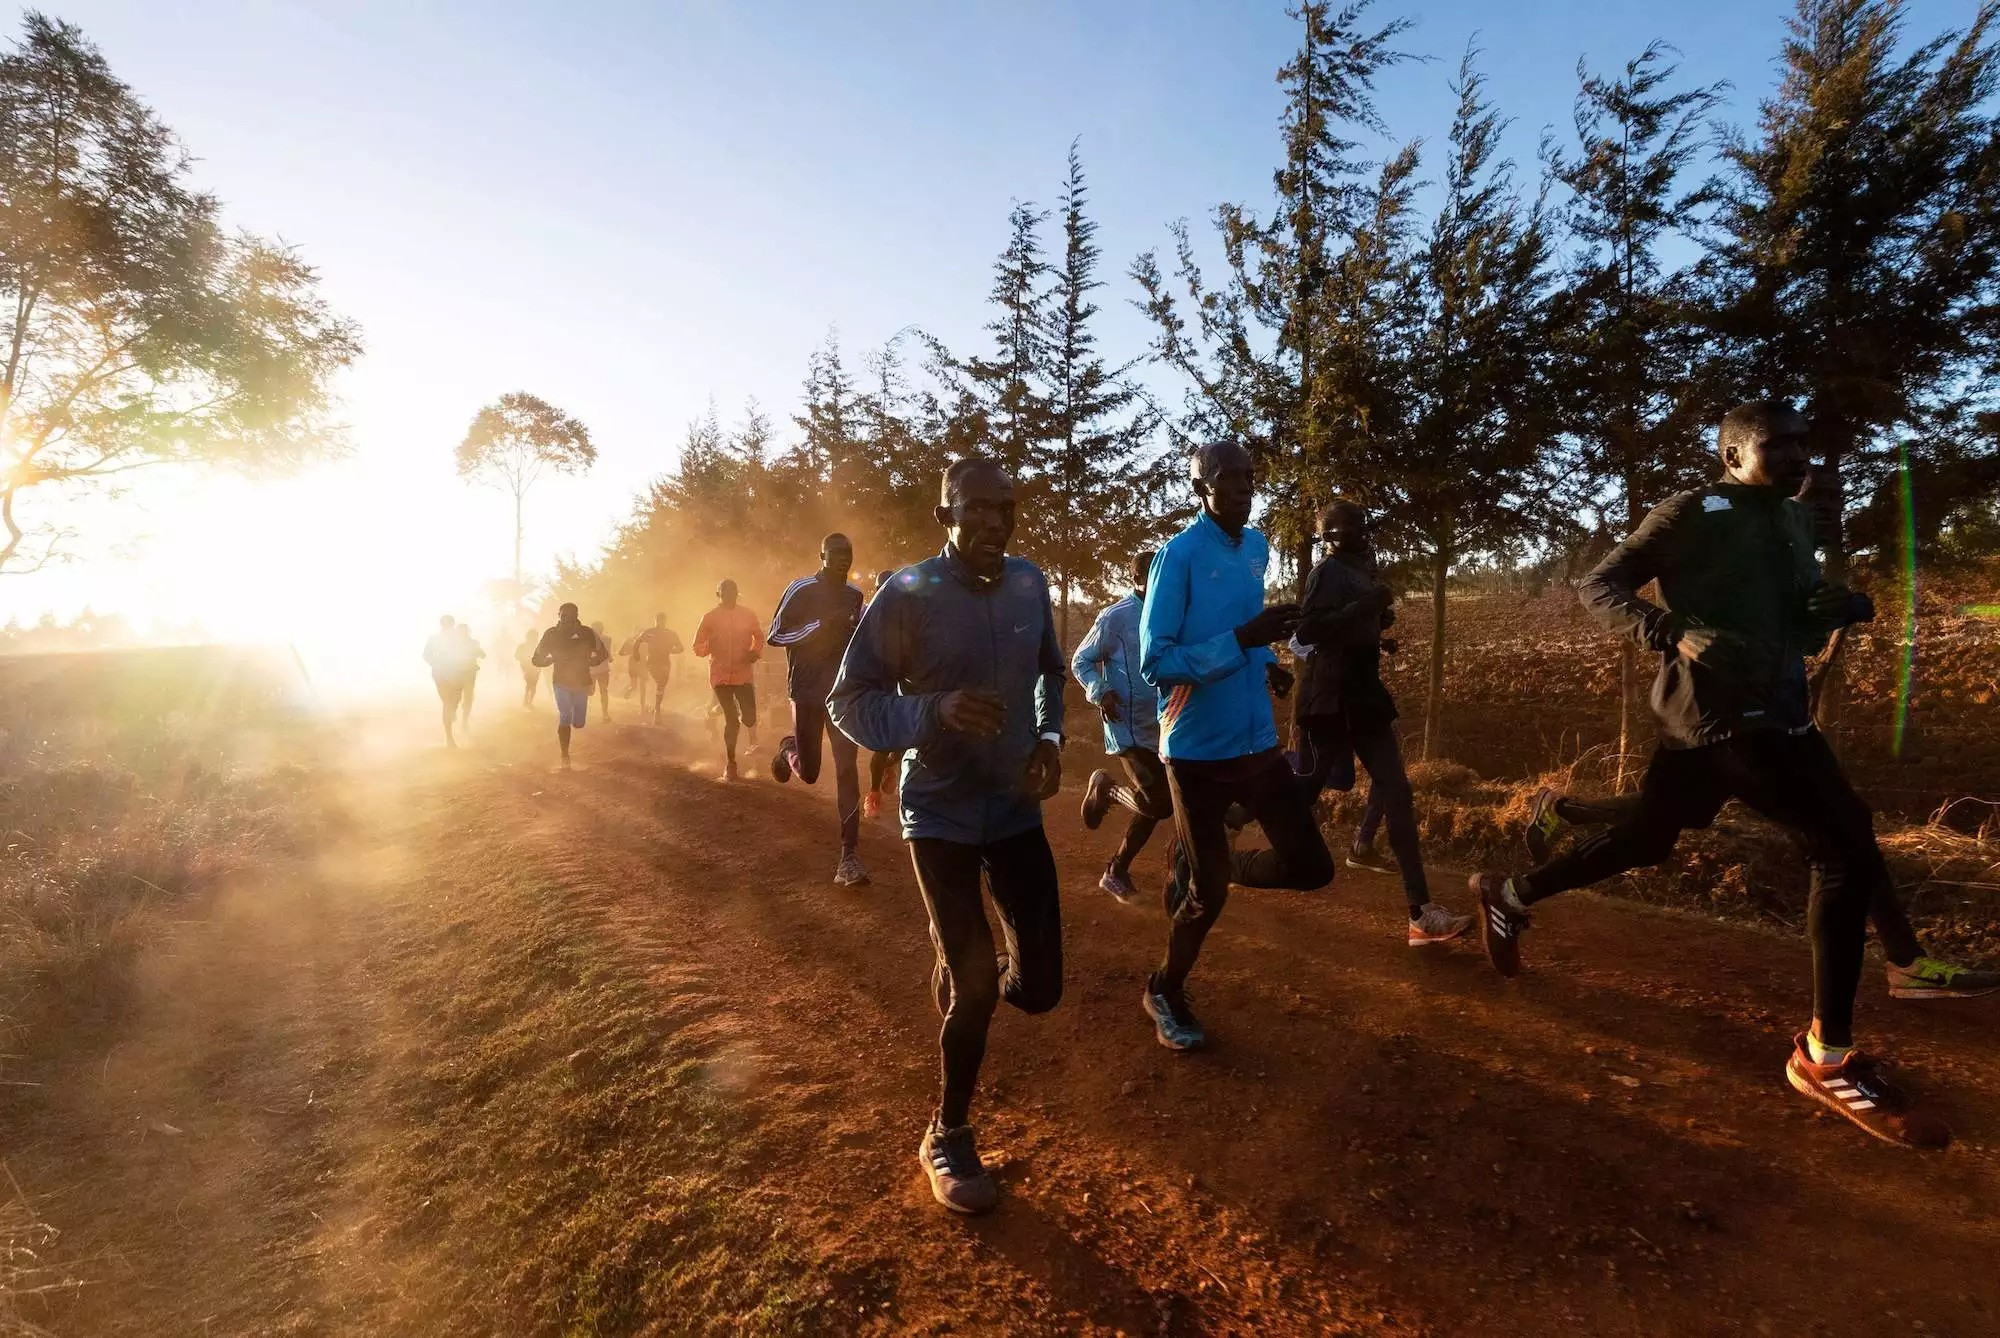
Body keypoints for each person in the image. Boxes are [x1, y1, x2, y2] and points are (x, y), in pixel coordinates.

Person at [1471, 400, 1951, 1149]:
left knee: (1647, 842)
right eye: (1776, 444)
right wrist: (1670, 630)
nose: (1795, 455)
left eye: (1801, 442)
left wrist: (1836, 608)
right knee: (1840, 842)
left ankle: (1510, 894)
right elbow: (1600, 586)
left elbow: (1794, 622)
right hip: (1718, 715)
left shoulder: (1795, 523)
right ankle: (1826, 1055)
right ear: (1731, 456)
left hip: (1779, 708)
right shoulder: (1693, 510)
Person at [829, 459, 1066, 1216]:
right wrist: (932, 712)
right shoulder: (908, 593)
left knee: (1039, 989)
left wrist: (1051, 738)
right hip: (939, 813)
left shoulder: (1032, 583)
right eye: (979, 509)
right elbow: (849, 700)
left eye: (1008, 508)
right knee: (973, 983)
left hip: (1016, 809)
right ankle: (948, 1133)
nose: (997, 521)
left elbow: (1050, 675)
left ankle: (959, 958)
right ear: (946, 517)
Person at [1138, 441, 1335, 1053]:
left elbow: (1243, 632)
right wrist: (1242, 640)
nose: (1245, 488)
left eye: (1252, 477)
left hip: (1256, 742)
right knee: (1207, 896)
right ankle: (1164, 989)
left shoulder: (1256, 547)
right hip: (1196, 752)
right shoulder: (1177, 556)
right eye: (1230, 478)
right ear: (1201, 486)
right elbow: (1157, 661)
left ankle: (1207, 865)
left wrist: (1266, 659)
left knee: (1311, 867)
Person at [1523, 788, 2000, 999]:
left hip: (1758, 718)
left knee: (1844, 825)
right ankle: (1902, 966)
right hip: (1732, 721)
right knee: (1662, 817)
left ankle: (1905, 961)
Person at [1295, 500, 1471, 945]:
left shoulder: (1359, 570)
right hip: (1330, 699)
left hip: (1365, 695)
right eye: (1348, 526)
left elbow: (1353, 622)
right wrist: (1366, 605)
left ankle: (1420, 913)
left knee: (1398, 791)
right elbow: (1310, 631)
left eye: (1361, 523)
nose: (1360, 530)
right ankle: (1227, 821)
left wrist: (1378, 620)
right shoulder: (1328, 572)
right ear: (1330, 534)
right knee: (1302, 794)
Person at [769, 534, 870, 886]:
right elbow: (775, 634)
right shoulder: (802, 589)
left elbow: (856, 640)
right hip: (806, 691)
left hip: (841, 695)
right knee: (811, 772)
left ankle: (849, 858)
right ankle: (788, 749)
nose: (843, 559)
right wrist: (818, 627)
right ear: (822, 555)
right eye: (836, 553)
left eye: (848, 553)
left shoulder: (855, 596)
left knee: (847, 770)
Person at [1075, 550, 1171, 904]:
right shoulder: (1115, 617)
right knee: (1160, 803)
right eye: (1152, 577)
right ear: (1136, 580)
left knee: (1155, 803)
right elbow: (1081, 660)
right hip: (1126, 726)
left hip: (1164, 724)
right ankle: (1108, 789)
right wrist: (1101, 692)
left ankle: (1116, 871)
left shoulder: (1173, 613)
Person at [694, 579, 763, 780]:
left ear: (737, 593)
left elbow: (759, 638)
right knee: (732, 721)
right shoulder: (709, 618)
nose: (729, 595)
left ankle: (717, 710)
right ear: (719, 594)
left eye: (733, 591)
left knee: (749, 718)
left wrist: (754, 652)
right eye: (725, 592)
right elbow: (697, 647)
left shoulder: (748, 615)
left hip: (743, 674)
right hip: (720, 676)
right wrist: (709, 644)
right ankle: (731, 763)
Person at [530, 602, 609, 770]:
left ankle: (575, 719)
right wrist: (549, 660)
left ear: (576, 615)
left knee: (579, 723)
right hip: (560, 682)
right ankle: (565, 755)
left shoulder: (587, 633)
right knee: (565, 715)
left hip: (581, 683)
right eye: (562, 614)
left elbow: (603, 653)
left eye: (568, 614)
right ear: (558, 615)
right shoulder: (551, 634)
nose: (564, 617)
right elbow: (536, 659)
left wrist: (594, 661)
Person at [864, 569, 905, 820]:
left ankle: (892, 764)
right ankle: (873, 795)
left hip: (903, 682)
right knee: (881, 744)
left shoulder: (908, 612)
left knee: (903, 738)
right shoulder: (868, 614)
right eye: (882, 587)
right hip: (878, 683)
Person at [422, 615, 476, 748]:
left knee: (453, 703)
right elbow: (426, 655)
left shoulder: (458, 639)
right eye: (447, 624)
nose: (449, 627)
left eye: (450, 624)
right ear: (443, 625)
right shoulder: (435, 639)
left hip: (455, 674)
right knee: (448, 703)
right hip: (442, 674)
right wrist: (435, 662)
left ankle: (450, 731)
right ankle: (449, 737)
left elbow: (467, 652)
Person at [632, 614, 685, 723]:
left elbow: (680, 648)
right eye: (658, 620)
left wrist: (670, 650)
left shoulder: (670, 634)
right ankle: (653, 707)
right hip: (652, 662)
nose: (659, 623)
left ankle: (656, 708)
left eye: (662, 621)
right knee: (655, 683)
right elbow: (637, 641)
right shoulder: (649, 632)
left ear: (665, 621)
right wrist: (636, 654)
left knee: (661, 686)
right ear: (655, 620)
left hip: (665, 662)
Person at [452, 621, 485, 732]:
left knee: (467, 698)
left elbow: (482, 654)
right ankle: (456, 714)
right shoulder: (453, 644)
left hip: (468, 673)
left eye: (464, 631)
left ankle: (464, 720)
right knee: (460, 697)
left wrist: (479, 654)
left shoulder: (472, 643)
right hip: (458, 673)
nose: (463, 633)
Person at [589, 620, 616, 723]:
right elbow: (608, 654)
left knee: (591, 691)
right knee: (603, 692)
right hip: (603, 669)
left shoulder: (588, 640)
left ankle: (604, 713)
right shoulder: (607, 639)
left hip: (593, 670)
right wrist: (610, 659)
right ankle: (605, 714)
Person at [514, 629, 542, 707]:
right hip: (526, 667)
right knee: (530, 684)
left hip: (536, 667)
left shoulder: (539, 646)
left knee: (533, 684)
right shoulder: (522, 646)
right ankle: (527, 700)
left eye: (534, 637)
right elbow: (516, 655)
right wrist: (523, 659)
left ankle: (528, 701)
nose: (532, 638)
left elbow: (543, 655)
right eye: (531, 637)